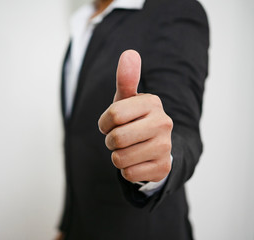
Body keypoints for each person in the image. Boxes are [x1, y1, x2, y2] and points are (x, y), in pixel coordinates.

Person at [55, 0, 209, 239]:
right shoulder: (82, 21)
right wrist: (67, 225)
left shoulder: (173, 8)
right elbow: (78, 143)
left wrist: (159, 155)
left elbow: (182, 128)